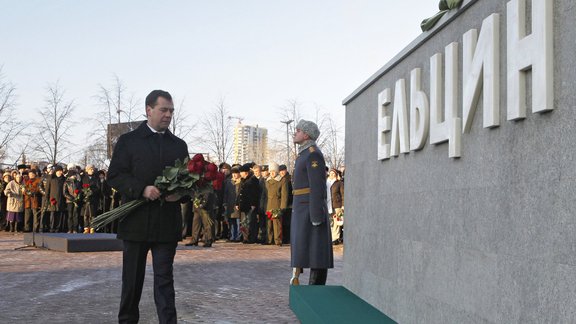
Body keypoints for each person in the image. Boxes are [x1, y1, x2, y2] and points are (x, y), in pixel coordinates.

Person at [107, 90, 188, 324]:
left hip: (166, 225)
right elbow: (114, 176)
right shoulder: (128, 141)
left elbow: (187, 184)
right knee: (132, 282)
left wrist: (179, 195)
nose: (168, 115)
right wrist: (142, 189)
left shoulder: (179, 146)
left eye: (171, 111)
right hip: (135, 223)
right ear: (149, 110)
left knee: (165, 282)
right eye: (164, 110)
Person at [289, 120, 334, 285]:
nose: (295, 133)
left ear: (306, 134)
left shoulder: (313, 153)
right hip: (302, 208)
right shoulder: (304, 153)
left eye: (298, 130)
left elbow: (317, 186)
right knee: (305, 249)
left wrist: (316, 215)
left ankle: (316, 287)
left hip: (309, 209)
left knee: (316, 252)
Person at [265, 162, 288, 246]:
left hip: (277, 205)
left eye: (274, 171)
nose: (272, 173)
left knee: (277, 224)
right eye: (271, 172)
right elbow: (264, 195)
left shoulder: (282, 180)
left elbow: (284, 195)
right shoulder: (267, 181)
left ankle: (278, 240)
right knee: (269, 224)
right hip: (268, 205)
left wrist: (283, 207)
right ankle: (269, 239)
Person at [327, 168, 344, 244]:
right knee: (331, 222)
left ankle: (335, 238)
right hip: (328, 205)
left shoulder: (339, 183)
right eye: (331, 174)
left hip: (337, 205)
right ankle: (330, 237)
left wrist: (343, 205)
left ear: (336, 175)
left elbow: (343, 194)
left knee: (337, 221)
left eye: (334, 174)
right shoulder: (326, 182)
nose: (332, 175)